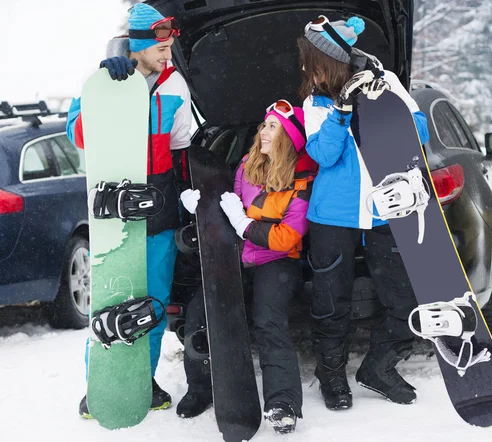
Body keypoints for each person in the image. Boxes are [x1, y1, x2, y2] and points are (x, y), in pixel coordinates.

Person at [66, 3, 200, 418]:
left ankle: (140, 379)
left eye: (169, 46)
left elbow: (185, 148)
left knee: (153, 306)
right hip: (114, 214)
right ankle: (101, 385)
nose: (167, 53)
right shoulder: (102, 81)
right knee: (111, 300)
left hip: (158, 210)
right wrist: (107, 91)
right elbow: (79, 135)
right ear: (138, 44)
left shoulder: (176, 85)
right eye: (160, 47)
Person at [297, 15, 431, 410]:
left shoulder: (385, 81)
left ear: (329, 58)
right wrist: (341, 110)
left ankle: (379, 367)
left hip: (385, 211)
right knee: (330, 303)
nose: (304, 67)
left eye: (309, 58)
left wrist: (380, 100)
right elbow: (323, 154)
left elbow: (419, 132)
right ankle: (332, 376)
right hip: (332, 217)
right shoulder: (315, 102)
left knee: (403, 299)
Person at [213, 99, 316, 433]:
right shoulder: (247, 165)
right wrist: (200, 208)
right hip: (241, 257)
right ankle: (202, 389)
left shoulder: (302, 179)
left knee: (268, 322)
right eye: (264, 125)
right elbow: (228, 204)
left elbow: (287, 236)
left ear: (289, 136)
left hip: (279, 262)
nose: (264, 131)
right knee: (209, 313)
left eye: (273, 126)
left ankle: (283, 402)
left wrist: (245, 226)